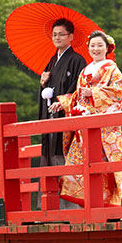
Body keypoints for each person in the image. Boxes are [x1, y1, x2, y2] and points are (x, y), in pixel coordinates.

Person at [49, 30, 122, 206]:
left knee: (101, 164)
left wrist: (93, 92)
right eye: (92, 46)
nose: (96, 49)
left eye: (100, 45)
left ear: (107, 48)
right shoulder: (86, 69)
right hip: (83, 125)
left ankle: (106, 205)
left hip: (102, 126)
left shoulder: (112, 69)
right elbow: (78, 95)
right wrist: (63, 103)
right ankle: (87, 204)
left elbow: (117, 93)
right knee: (81, 163)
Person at [38, 18, 87, 166]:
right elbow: (47, 91)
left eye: (61, 34)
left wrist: (63, 103)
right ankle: (50, 189)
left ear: (71, 37)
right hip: (50, 116)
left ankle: (65, 188)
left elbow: (78, 86)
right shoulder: (52, 60)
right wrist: (42, 82)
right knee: (49, 156)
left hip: (66, 116)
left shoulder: (77, 60)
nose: (57, 38)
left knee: (62, 157)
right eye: (54, 35)